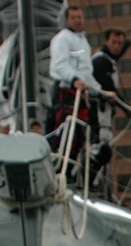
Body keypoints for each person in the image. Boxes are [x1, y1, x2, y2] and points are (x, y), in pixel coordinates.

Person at [47, 5, 104, 158]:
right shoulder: (62, 38)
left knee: (82, 132)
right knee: (66, 131)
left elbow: (86, 72)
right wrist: (74, 79)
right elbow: (59, 65)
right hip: (65, 91)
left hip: (81, 94)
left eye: (80, 17)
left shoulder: (83, 42)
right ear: (67, 20)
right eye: (74, 17)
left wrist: (100, 91)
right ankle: (62, 163)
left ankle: (77, 166)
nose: (77, 20)